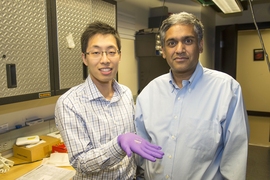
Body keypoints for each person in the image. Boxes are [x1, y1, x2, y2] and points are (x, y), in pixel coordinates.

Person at [135, 12, 249, 180]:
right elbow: (142, 151)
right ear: (164, 51)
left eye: (188, 41)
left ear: (200, 45)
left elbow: (235, 156)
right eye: (172, 43)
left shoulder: (227, 90)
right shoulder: (148, 94)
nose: (180, 49)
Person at [55, 21, 164, 180]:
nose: (105, 59)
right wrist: (118, 144)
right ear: (84, 58)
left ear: (119, 56)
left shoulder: (126, 94)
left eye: (111, 52)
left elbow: (135, 142)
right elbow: (80, 162)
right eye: (96, 52)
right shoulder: (69, 103)